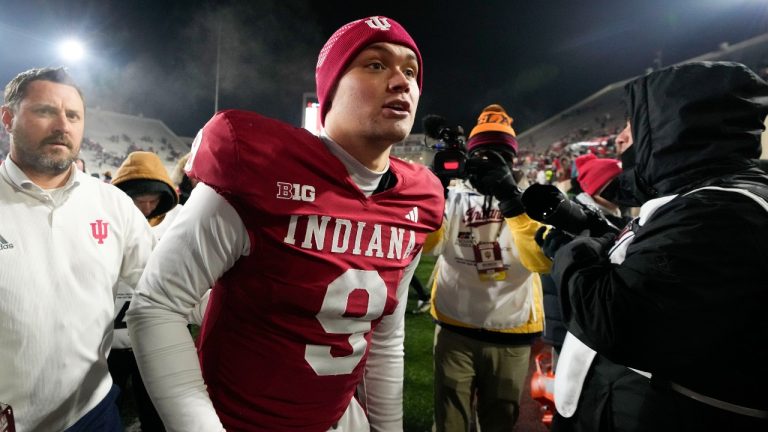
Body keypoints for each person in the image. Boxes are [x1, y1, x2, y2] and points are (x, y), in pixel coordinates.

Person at [126, 16, 444, 431]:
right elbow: (156, 306)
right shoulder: (261, 170)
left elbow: (383, 337)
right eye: (375, 64)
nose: (402, 82)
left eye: (411, 71)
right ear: (329, 90)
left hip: (339, 420)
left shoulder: (415, 199)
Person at [548, 61, 768, 431]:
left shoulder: (722, 210)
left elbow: (616, 319)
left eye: (633, 122)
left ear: (675, 126)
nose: (620, 138)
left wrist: (573, 251)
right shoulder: (709, 197)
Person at [0, 67, 154, 431]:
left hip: (92, 413)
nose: (62, 125)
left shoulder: (112, 204)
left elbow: (163, 285)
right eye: (45, 111)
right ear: (7, 118)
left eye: (73, 115)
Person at [426, 104, 550, 431]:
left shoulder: (532, 200)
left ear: (513, 161)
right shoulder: (451, 198)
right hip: (455, 326)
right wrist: (434, 189)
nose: (490, 163)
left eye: (500, 156)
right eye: (483, 154)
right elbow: (426, 245)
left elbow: (540, 259)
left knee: (499, 421)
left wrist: (510, 198)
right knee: (448, 422)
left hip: (510, 330)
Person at [109, 150, 182, 431]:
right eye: (141, 201)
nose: (148, 207)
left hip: (152, 334)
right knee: (106, 401)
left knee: (155, 405)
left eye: (154, 201)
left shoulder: (178, 219)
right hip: (109, 337)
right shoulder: (105, 219)